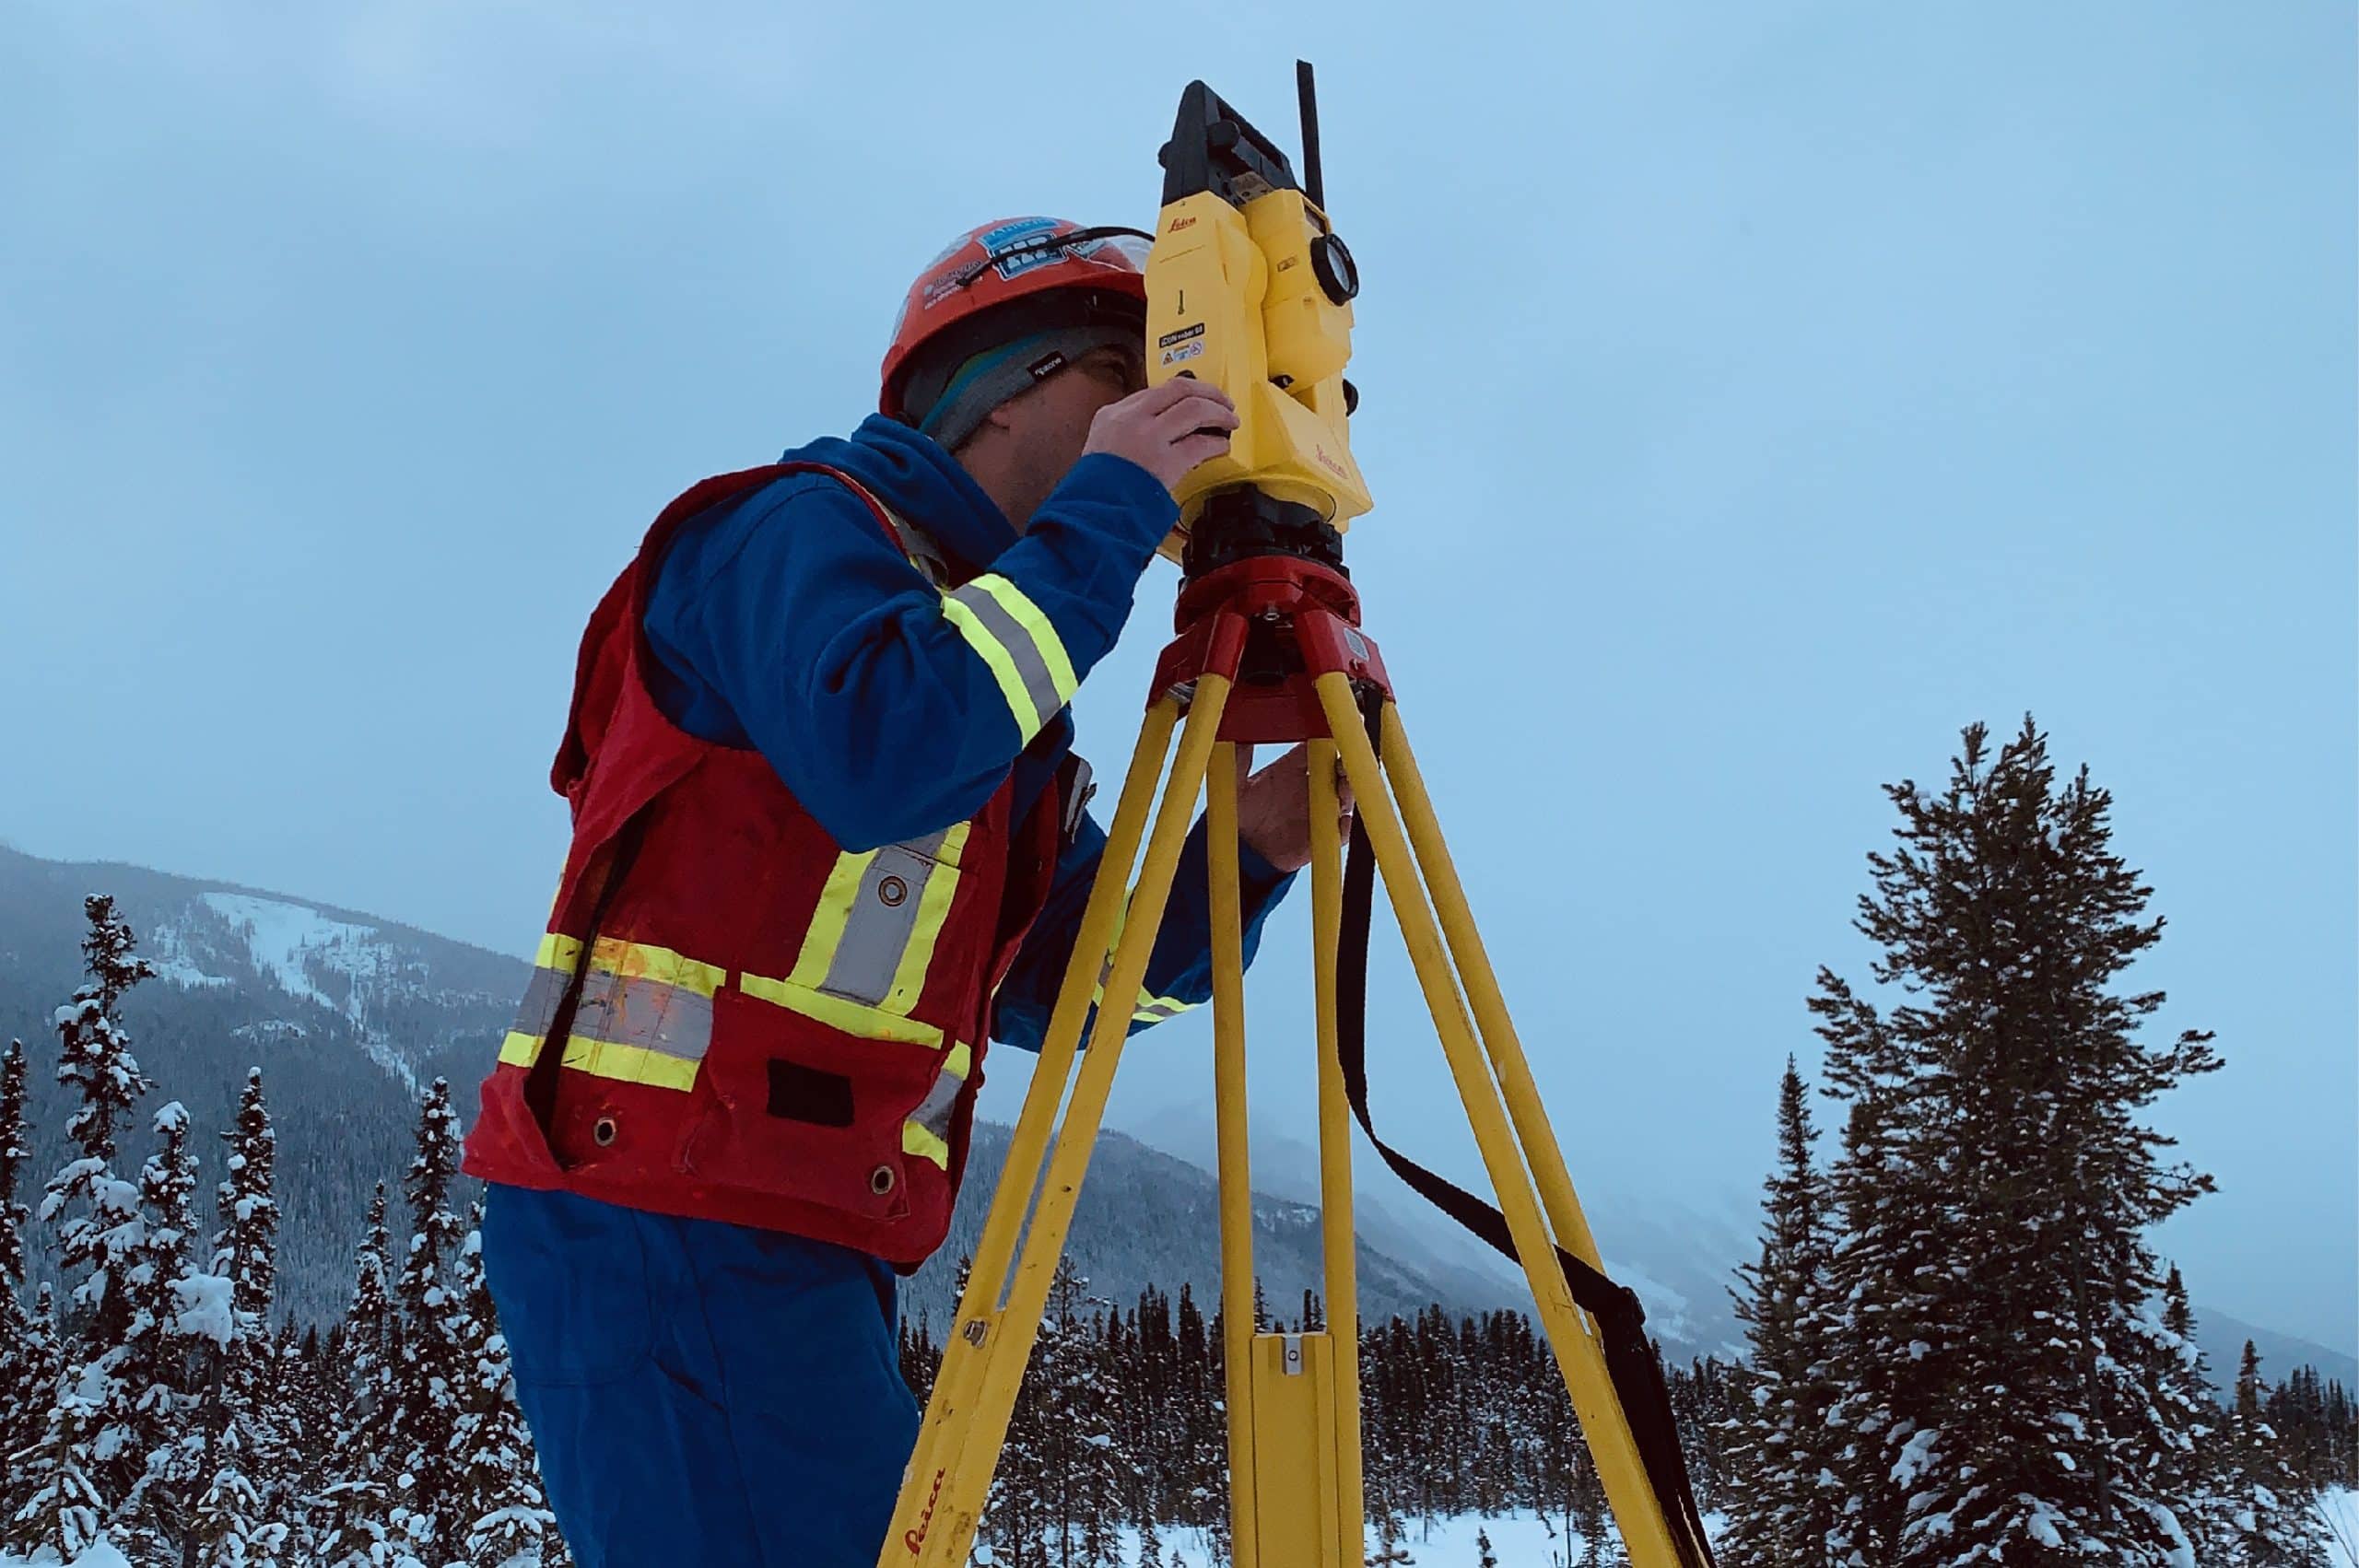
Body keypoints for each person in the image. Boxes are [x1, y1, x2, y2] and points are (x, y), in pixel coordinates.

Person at [460, 216, 1336, 1567]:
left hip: (793, 1223)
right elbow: (886, 742)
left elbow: (1070, 987)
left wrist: (1254, 850)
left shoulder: (993, 681)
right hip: (662, 1207)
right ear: (1002, 387)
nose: (1179, 415)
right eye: (1133, 373)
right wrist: (1110, 510)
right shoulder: (793, 534)